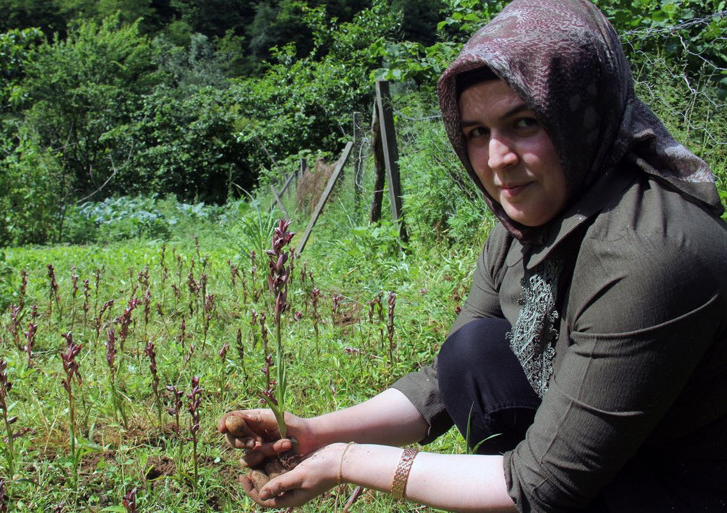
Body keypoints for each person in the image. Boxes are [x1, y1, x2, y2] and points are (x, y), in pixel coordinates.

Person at [218, 0, 727, 511]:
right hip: (612, 463)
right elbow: (444, 381)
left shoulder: (651, 252)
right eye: (477, 133)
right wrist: (317, 434)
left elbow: (542, 484)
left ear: (582, 116)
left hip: (681, 489)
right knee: (473, 353)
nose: (498, 160)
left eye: (525, 122)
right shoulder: (529, 222)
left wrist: (348, 461)